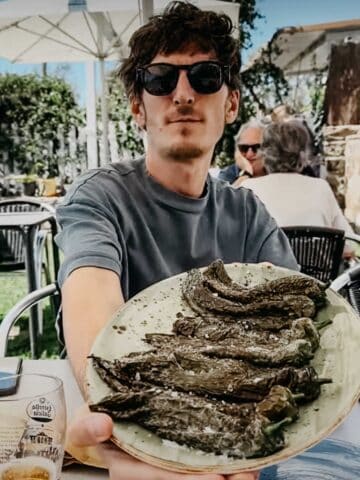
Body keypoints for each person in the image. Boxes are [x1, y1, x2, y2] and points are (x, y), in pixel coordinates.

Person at [56, 3, 298, 479]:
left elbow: (295, 323)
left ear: (230, 103)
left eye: (205, 76)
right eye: (161, 79)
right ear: (136, 106)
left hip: (240, 445)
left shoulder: (247, 213)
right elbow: (92, 303)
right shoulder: (102, 197)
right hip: (124, 439)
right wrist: (136, 437)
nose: (183, 93)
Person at [241, 120, 354, 238]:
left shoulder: (249, 189)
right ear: (303, 153)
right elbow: (350, 244)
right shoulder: (320, 187)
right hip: (313, 256)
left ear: (265, 153)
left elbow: (230, 239)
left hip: (266, 257)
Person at [218, 119, 266, 186]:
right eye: (244, 148)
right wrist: (247, 174)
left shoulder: (276, 172)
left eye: (256, 148)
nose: (249, 154)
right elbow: (224, 196)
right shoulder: (228, 174)